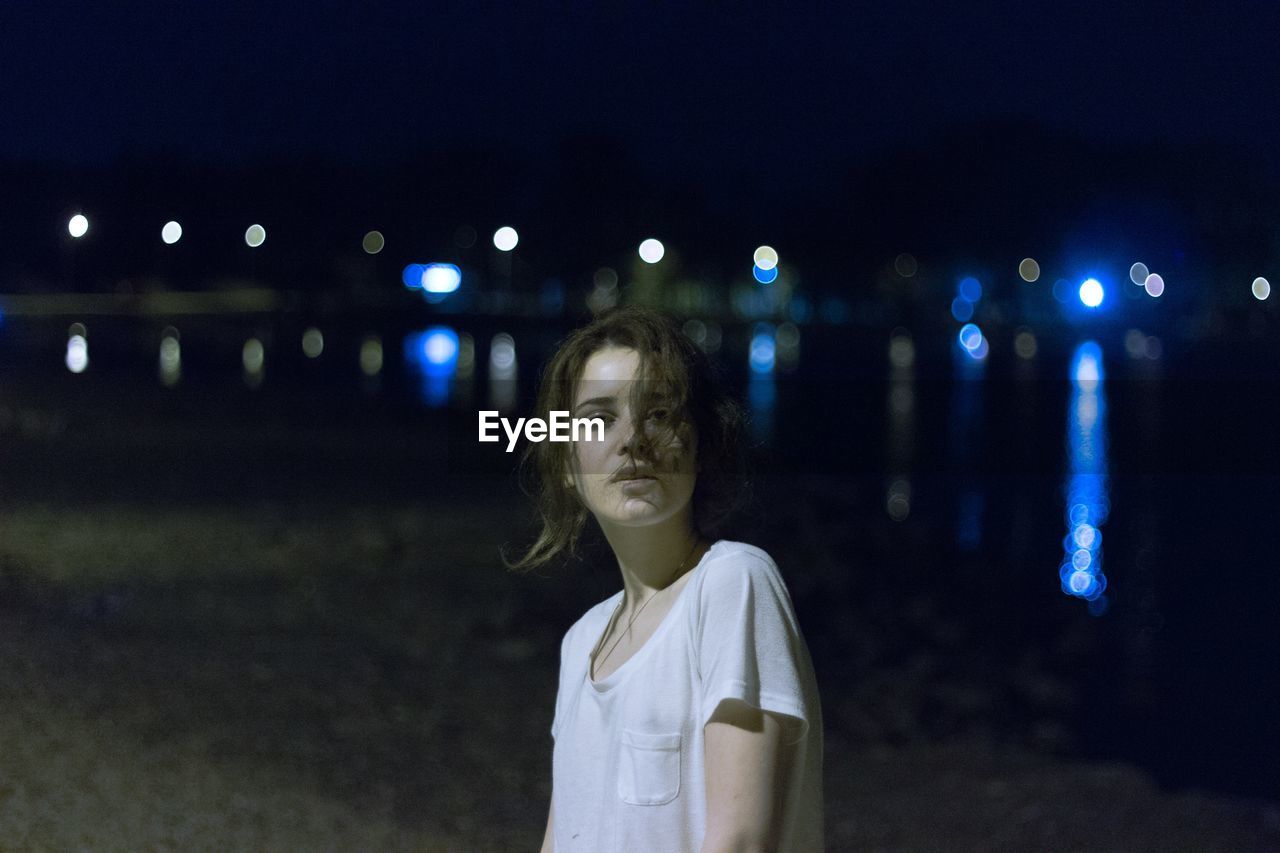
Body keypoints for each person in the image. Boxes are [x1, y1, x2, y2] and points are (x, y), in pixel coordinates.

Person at [506, 306, 823, 852]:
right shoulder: (581, 641)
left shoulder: (732, 583)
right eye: (598, 419)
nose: (632, 440)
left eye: (658, 413)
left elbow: (740, 841)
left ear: (699, 445)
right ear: (566, 458)